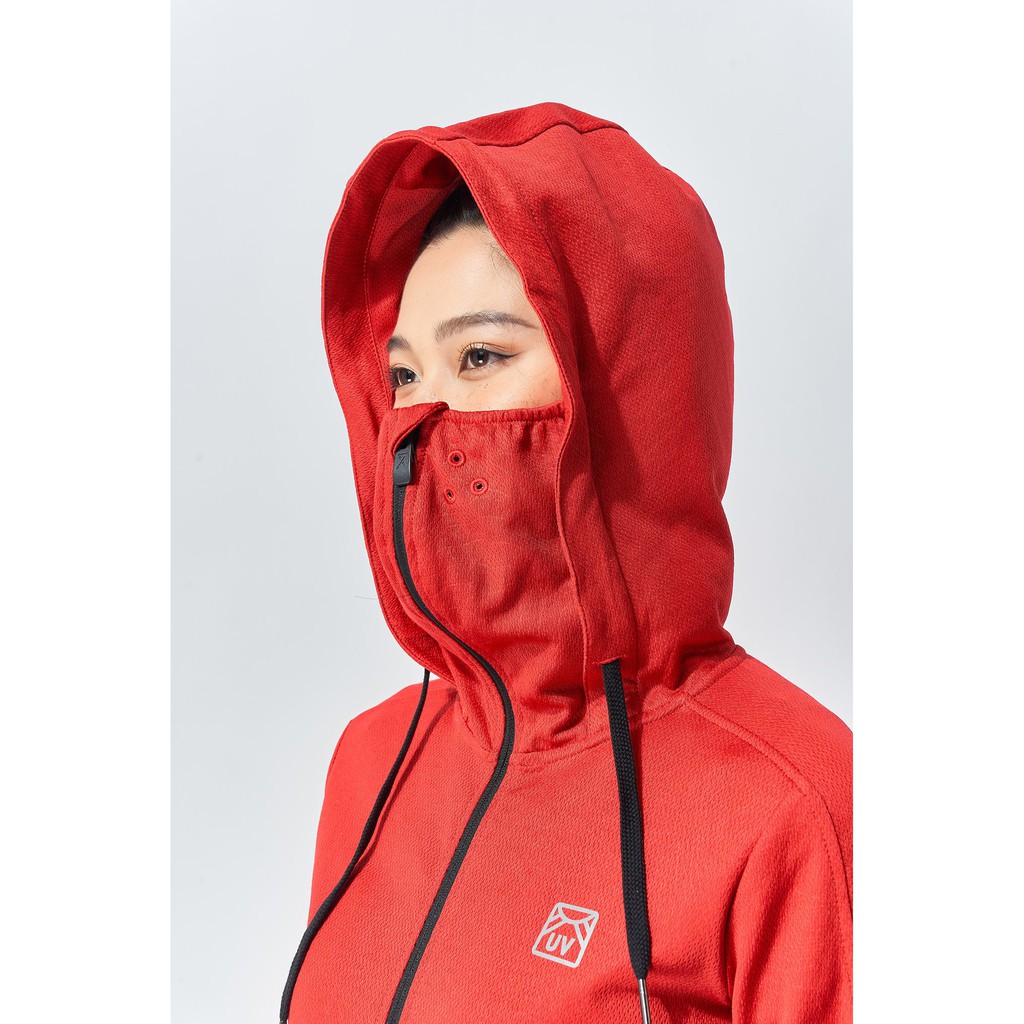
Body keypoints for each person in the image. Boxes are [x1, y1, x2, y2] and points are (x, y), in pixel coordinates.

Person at [280, 101, 852, 1024]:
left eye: (480, 355)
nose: (420, 421)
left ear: (625, 383)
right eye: (403, 376)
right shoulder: (373, 761)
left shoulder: (799, 803)